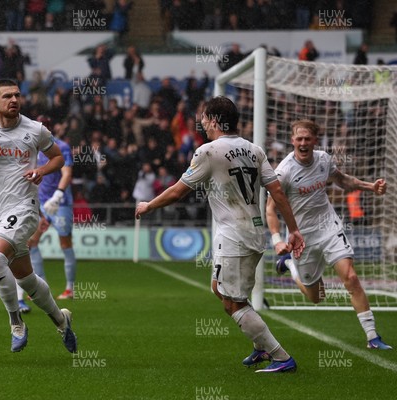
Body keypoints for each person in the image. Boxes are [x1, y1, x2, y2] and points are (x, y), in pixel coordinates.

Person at [135, 96, 305, 373]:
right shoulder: (254, 150)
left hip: (234, 236)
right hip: (253, 233)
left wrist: (149, 205)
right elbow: (277, 191)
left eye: (203, 117)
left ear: (214, 120)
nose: (200, 122)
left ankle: (280, 356)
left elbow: (179, 191)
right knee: (219, 288)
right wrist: (293, 230)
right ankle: (260, 346)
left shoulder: (208, 151)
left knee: (232, 303)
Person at [0, 79, 77, 354]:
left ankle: (16, 322)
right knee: (27, 280)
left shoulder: (35, 129)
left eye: (17, 95)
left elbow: (57, 158)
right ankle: (62, 320)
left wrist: (42, 171)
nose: (14, 100)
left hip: (24, 208)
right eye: (7, 96)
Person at [267, 119, 391, 350]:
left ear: (315, 140)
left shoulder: (324, 159)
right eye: (299, 139)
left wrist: (370, 186)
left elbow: (342, 180)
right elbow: (270, 209)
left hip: (329, 227)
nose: (303, 143)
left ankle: (372, 336)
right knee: (317, 297)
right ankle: (290, 266)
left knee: (351, 277)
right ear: (292, 141)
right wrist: (277, 241)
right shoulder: (283, 173)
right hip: (301, 237)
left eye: (307, 139)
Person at [16, 116, 77, 313]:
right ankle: (40, 286)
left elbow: (67, 173)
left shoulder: (61, 147)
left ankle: (70, 288)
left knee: (65, 243)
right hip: (41, 203)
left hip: (60, 204)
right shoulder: (32, 147)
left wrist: (58, 195)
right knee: (30, 243)